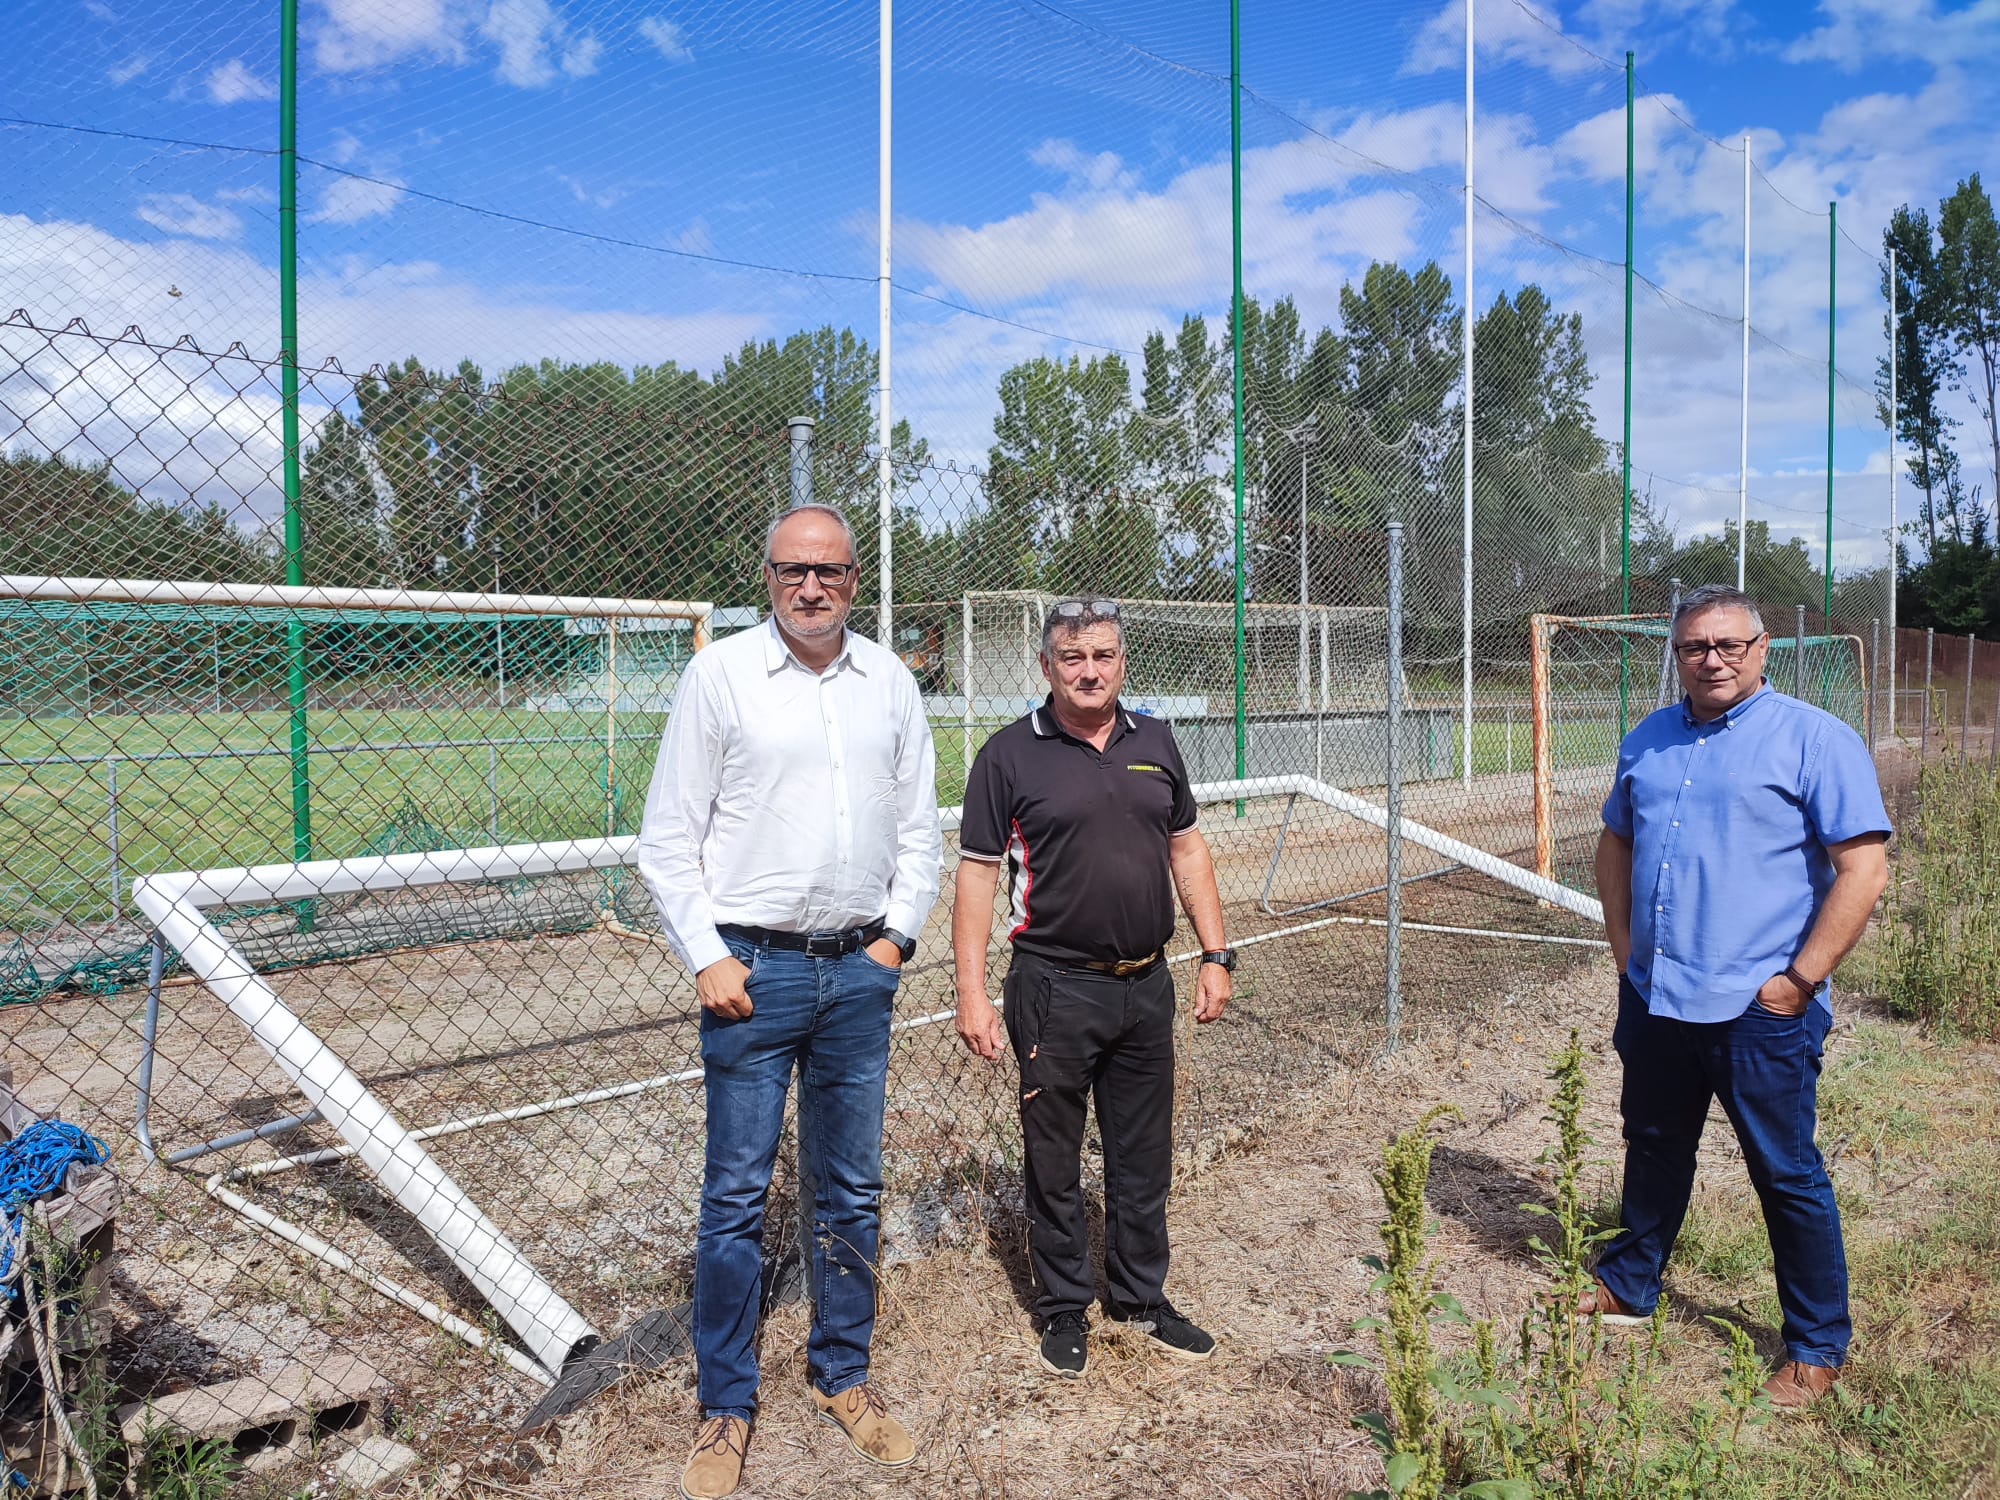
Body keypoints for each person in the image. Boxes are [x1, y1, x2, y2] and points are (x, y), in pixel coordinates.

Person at [636, 504, 942, 1499]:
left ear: (856, 580)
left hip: (858, 974)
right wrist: (705, 957)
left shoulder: (888, 684)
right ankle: (725, 1407)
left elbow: (918, 829)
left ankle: (840, 1376)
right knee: (732, 1204)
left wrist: (895, 939)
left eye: (830, 572)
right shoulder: (718, 677)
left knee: (849, 1188)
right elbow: (666, 838)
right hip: (750, 979)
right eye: (790, 571)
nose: (810, 588)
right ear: (765, 576)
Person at [1588, 582, 1890, 1412]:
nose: (1712, 659)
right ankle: (1629, 1285)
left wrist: (1798, 982)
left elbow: (1864, 870)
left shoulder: (1814, 740)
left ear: (1762, 650)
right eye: (1695, 647)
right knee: (1651, 1143)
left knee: (1785, 1172)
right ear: (1676, 655)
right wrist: (1624, 953)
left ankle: (1817, 1343)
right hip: (1656, 995)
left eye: (1729, 645)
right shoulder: (1648, 740)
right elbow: (1616, 839)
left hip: (1758, 1007)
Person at [950, 597, 1233, 1380]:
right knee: (1055, 1155)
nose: (1088, 671)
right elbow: (976, 878)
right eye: (1072, 657)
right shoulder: (1009, 756)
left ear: (1122, 662)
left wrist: (1216, 953)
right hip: (1053, 988)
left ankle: (1141, 1298)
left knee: (1143, 1154)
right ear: (1047, 666)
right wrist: (972, 992)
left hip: (1146, 985)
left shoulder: (1157, 742)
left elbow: (1187, 849)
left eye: (1102, 656)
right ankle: (1064, 1305)